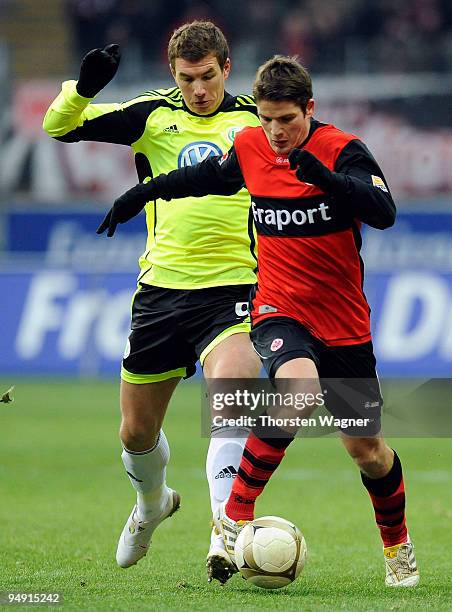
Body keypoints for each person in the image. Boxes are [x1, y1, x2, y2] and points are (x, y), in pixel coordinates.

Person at [99, 55, 419, 588]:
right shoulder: (251, 145)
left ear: (309, 109)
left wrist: (328, 179)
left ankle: (398, 547)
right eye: (266, 119)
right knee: (297, 389)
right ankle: (233, 518)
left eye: (286, 120)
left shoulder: (343, 149)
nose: (274, 132)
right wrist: (141, 194)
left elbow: (383, 211)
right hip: (278, 308)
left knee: (369, 453)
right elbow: (204, 176)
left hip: (343, 322)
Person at [43, 21, 262, 584]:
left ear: (226, 69)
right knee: (135, 433)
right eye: (188, 79)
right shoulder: (151, 114)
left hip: (235, 285)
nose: (199, 90)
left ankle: (225, 529)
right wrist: (83, 89)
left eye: (208, 77)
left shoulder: (253, 122)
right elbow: (58, 127)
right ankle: (152, 503)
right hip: (162, 291)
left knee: (233, 393)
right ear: (174, 73)